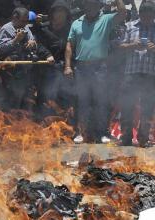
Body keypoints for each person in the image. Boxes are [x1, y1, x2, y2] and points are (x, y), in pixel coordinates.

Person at [64, 0, 126, 144]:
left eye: (93, 4)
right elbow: (69, 45)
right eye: (87, 4)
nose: (90, 6)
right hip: (81, 67)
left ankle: (103, 133)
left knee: (101, 101)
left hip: (100, 67)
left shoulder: (106, 19)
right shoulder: (76, 23)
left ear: (99, 6)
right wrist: (67, 66)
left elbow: (123, 13)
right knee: (82, 101)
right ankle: (80, 132)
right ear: (84, 6)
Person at [119, 1, 155, 147]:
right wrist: (133, 45)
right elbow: (120, 46)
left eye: (149, 16)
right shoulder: (129, 26)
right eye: (144, 16)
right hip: (131, 73)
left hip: (151, 74)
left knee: (148, 107)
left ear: (154, 15)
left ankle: (143, 139)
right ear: (139, 14)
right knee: (127, 105)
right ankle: (126, 138)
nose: (146, 19)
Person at [0, 7, 54, 111]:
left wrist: (32, 42)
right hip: (12, 73)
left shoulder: (26, 27)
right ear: (15, 18)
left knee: (27, 101)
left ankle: (24, 124)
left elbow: (32, 41)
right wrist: (15, 40)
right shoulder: (6, 29)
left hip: (26, 71)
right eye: (23, 21)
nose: (25, 24)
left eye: (26, 21)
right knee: (12, 101)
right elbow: (1, 49)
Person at [33, 0, 75, 120]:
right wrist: (47, 54)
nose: (59, 14)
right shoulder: (43, 27)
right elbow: (37, 44)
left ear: (67, 14)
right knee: (47, 99)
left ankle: (64, 130)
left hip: (66, 69)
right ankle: (46, 128)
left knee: (65, 100)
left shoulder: (71, 28)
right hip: (47, 69)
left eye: (62, 11)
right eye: (57, 11)